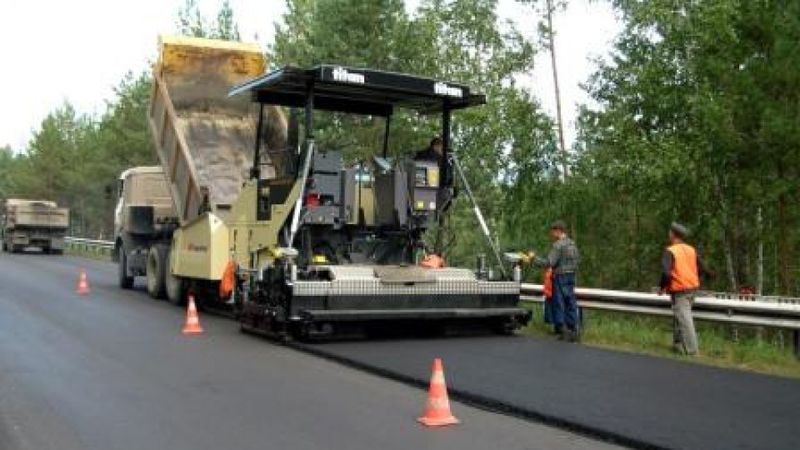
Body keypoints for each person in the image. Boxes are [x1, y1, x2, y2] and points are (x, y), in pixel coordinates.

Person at [659, 222, 708, 356]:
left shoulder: (670, 251)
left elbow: (666, 273)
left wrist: (662, 287)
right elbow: (702, 268)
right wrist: (693, 278)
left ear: (673, 234)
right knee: (679, 316)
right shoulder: (691, 249)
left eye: (669, 232)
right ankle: (678, 345)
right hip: (692, 288)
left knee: (685, 319)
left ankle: (692, 351)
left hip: (680, 289)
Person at [532, 221, 580, 341]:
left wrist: (533, 259)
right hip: (571, 276)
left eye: (553, 231)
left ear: (558, 231)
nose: (551, 234)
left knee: (559, 303)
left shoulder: (558, 245)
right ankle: (574, 330)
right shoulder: (572, 244)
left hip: (560, 276)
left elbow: (548, 263)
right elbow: (577, 261)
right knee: (571, 302)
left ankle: (562, 330)